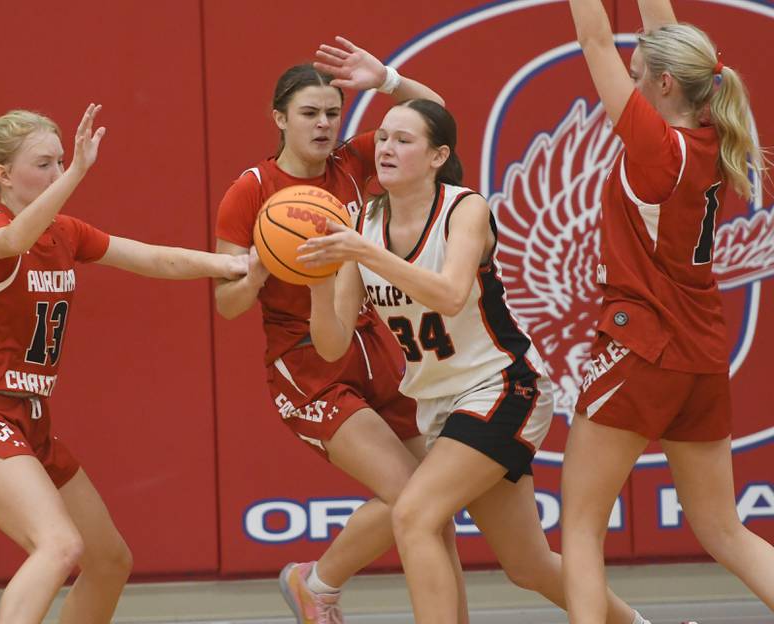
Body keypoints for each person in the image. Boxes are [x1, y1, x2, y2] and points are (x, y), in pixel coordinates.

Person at [298, 98, 648, 624]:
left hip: (503, 387)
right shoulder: (361, 222)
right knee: (527, 564)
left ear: (438, 156)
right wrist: (320, 285)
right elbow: (331, 345)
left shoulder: (464, 208)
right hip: (440, 402)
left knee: (414, 515)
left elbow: (450, 295)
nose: (387, 148)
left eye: (403, 140)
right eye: (384, 137)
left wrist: (362, 255)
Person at [214, 37, 468, 623]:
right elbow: (227, 305)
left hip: (377, 344)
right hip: (308, 363)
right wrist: (253, 275)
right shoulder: (250, 190)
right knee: (413, 497)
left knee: (437, 510)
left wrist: (387, 80)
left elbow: (436, 116)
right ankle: (318, 582)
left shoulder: (354, 162)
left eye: (332, 112)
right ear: (280, 118)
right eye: (309, 113)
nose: (324, 124)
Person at [0, 104, 247, 624]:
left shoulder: (66, 233)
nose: (58, 173)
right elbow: (10, 241)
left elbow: (152, 258)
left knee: (108, 560)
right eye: (45, 164)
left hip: (29, 419)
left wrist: (235, 262)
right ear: (3, 176)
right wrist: (79, 171)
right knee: (58, 545)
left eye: (61, 163)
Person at [562, 0, 774, 622]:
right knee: (724, 530)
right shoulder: (708, 134)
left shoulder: (658, 146)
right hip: (701, 352)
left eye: (635, 76)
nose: (625, 81)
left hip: (642, 348)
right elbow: (663, 34)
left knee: (579, 527)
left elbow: (592, 38)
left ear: (660, 84)